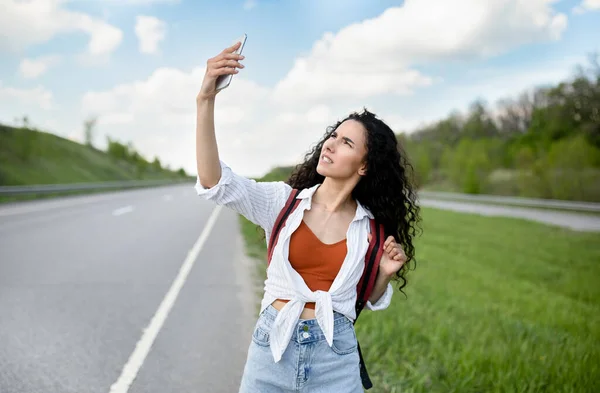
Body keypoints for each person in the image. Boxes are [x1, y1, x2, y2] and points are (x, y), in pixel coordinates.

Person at [194, 41, 421, 393]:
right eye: (332, 136)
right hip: (272, 350)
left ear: (365, 165)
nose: (329, 144)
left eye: (346, 142)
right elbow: (215, 182)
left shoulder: (372, 230)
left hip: (336, 357)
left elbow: (366, 299)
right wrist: (205, 99)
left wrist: (385, 276)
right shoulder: (283, 203)